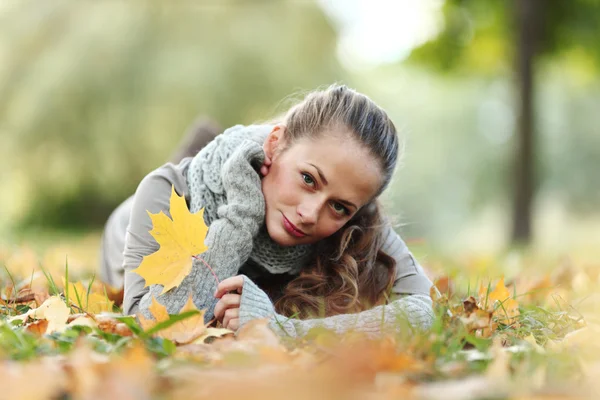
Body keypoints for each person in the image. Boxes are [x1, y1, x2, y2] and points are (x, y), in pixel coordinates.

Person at [100, 84, 434, 339]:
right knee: (191, 175)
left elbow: (421, 314)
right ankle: (209, 145)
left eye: (339, 206)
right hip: (128, 223)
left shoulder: (355, 209)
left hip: (275, 166)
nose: (309, 214)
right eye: (308, 179)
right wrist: (241, 218)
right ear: (275, 144)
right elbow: (151, 327)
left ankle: (227, 145)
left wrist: (284, 330)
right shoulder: (165, 189)